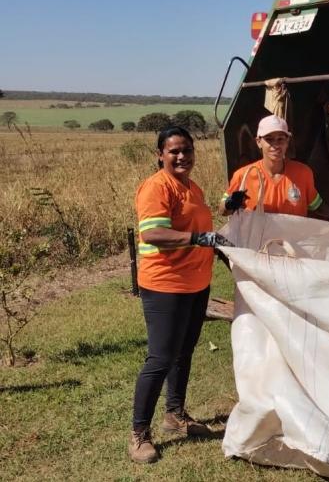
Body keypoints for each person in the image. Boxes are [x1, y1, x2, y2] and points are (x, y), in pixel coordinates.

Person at [129, 126, 232, 464]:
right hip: (165, 285)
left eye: (187, 149)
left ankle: (175, 415)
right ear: (160, 154)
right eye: (174, 151)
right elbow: (155, 233)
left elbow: (201, 229)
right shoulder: (157, 187)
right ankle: (139, 434)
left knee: (182, 353)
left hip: (195, 284)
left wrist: (220, 247)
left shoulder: (193, 188)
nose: (182, 156)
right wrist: (200, 239)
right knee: (160, 358)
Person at [219, 115, 329, 230]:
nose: (275, 145)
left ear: (287, 141)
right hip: (259, 251)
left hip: (294, 248)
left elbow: (315, 204)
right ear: (259, 142)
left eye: (280, 139)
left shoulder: (303, 173)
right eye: (269, 139)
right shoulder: (243, 176)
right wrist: (230, 203)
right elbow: (222, 210)